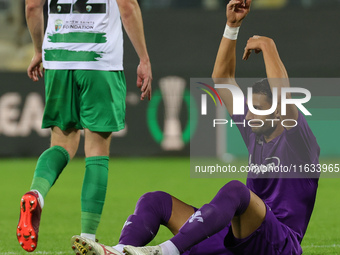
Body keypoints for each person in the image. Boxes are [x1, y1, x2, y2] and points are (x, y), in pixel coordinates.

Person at [69, 0, 320, 254]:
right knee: (154, 200)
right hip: (241, 238)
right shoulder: (256, 129)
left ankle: (165, 251)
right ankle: (120, 250)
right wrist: (232, 26)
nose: (250, 114)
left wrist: (268, 45)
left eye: (259, 109)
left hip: (279, 244)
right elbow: (222, 79)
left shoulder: (298, 141)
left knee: (236, 190)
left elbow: (283, 96)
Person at [16, 0, 152, 252]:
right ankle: (87, 237)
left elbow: (33, 6)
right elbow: (127, 6)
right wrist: (144, 58)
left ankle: (36, 194)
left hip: (58, 59)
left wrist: (38, 50)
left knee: (63, 142)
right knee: (97, 149)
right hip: (99, 59)